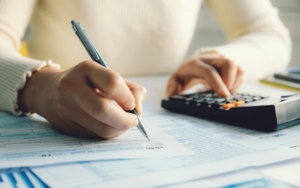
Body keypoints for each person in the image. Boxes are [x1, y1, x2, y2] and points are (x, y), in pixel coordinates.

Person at [0, 0, 291, 139]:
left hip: (166, 110)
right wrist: (41, 87)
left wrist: (222, 58)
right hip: (45, 120)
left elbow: (270, 35)